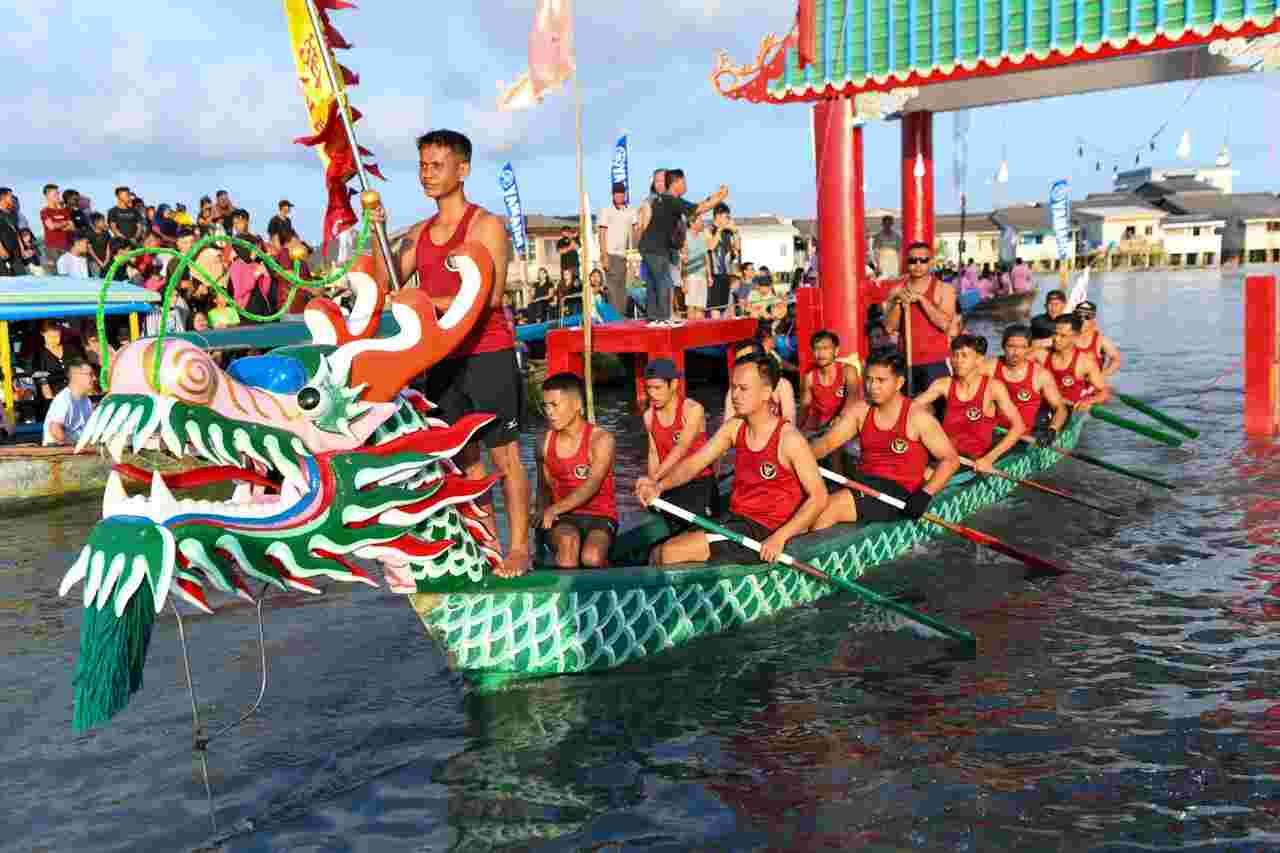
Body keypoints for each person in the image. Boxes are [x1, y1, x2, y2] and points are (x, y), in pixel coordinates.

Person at [369, 128, 530, 578]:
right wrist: (376, 228)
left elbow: (491, 296)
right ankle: (489, 543)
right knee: (466, 461)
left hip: (488, 352)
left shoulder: (486, 226)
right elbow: (387, 285)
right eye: (422, 165)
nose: (427, 174)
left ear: (463, 170)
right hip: (441, 359)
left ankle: (519, 548)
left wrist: (421, 304)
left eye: (437, 165)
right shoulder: (417, 234)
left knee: (505, 456)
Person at [638, 355, 827, 565]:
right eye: (733, 387)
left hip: (765, 529)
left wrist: (780, 537)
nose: (735, 395)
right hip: (736, 520)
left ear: (766, 392)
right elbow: (695, 463)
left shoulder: (789, 439)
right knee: (656, 553)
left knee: (670, 553)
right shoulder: (735, 427)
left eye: (743, 389)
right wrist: (659, 486)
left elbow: (819, 497)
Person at [810, 350, 960, 529]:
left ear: (899, 383)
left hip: (900, 495)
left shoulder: (917, 416)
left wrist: (926, 494)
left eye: (881, 380)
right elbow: (827, 443)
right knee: (810, 506)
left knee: (828, 509)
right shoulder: (861, 410)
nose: (872, 386)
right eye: (869, 379)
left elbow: (951, 460)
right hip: (866, 485)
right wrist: (795, 458)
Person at [910, 334, 1026, 473]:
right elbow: (910, 407)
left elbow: (1019, 427)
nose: (958, 361)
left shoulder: (993, 387)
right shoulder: (943, 384)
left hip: (975, 458)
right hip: (947, 453)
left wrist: (989, 459)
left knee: (926, 475)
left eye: (964, 356)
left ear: (979, 360)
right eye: (955, 355)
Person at [537, 372, 617, 568]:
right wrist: (538, 522)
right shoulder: (543, 443)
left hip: (601, 516)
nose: (549, 412)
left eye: (555, 405)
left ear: (578, 405)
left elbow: (592, 485)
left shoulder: (602, 440)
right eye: (545, 406)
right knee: (568, 545)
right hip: (563, 518)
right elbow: (543, 488)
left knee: (591, 557)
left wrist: (554, 508)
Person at [636, 167, 728, 321]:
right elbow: (699, 209)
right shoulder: (672, 200)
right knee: (663, 282)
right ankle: (663, 319)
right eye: (684, 182)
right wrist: (720, 198)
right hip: (655, 248)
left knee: (654, 284)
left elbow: (697, 205)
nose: (686, 186)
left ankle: (653, 319)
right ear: (676, 183)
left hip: (649, 247)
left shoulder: (665, 199)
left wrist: (716, 195)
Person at [641, 358, 717, 526]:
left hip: (697, 482)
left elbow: (681, 447)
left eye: (658, 388)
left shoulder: (692, 410)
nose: (652, 394)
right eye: (648, 388)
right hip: (669, 483)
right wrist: (651, 483)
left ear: (674, 384)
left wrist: (653, 480)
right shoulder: (648, 416)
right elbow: (653, 453)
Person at [882, 242, 957, 395]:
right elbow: (889, 328)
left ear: (931, 262)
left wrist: (922, 300)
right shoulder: (896, 291)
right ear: (906, 263)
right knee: (908, 411)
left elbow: (945, 325)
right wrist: (897, 303)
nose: (917, 264)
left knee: (938, 411)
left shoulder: (944, 289)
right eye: (912, 260)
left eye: (923, 260)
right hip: (906, 361)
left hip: (936, 362)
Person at [984, 323, 1069, 445]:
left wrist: (1053, 430)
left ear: (1029, 349)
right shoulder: (990, 366)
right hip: (996, 432)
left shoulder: (1040, 375)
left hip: (1026, 436)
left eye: (1022, 347)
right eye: (1011, 346)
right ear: (1003, 347)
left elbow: (1060, 408)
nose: (1015, 352)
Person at [1041, 312, 1112, 412]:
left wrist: (1089, 401)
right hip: (1046, 407)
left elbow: (1105, 392)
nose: (1056, 339)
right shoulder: (1040, 354)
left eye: (1063, 336)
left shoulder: (1086, 363)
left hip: (1072, 409)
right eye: (1054, 333)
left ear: (1076, 337)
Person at [725, 335, 796, 425]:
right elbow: (728, 421)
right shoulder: (734, 389)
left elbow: (789, 418)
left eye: (747, 360)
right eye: (739, 361)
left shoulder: (782, 385)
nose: (742, 366)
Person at [799, 330, 860, 434]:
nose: (821, 353)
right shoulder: (809, 376)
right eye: (816, 349)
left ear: (836, 350)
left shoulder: (848, 371)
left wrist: (839, 419)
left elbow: (852, 400)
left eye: (825, 348)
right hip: (818, 428)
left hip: (844, 425)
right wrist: (796, 430)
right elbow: (805, 408)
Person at [597, 181, 635, 315]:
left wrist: (633, 256)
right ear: (613, 195)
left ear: (625, 195)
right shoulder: (606, 211)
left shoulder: (630, 211)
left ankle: (622, 319)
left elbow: (635, 230)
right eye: (616, 193)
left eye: (621, 193)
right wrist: (604, 255)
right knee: (613, 290)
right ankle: (616, 321)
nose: (619, 196)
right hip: (611, 255)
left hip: (623, 256)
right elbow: (601, 233)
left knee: (623, 290)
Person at [42, 357, 95, 446]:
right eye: (90, 374)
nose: (94, 378)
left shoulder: (86, 400)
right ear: (76, 376)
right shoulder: (64, 399)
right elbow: (54, 429)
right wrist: (73, 446)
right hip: (57, 452)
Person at [30, 318, 82, 403]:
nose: (54, 330)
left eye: (55, 325)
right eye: (50, 326)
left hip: (77, 397)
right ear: (42, 332)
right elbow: (44, 385)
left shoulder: (71, 349)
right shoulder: (38, 356)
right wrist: (54, 403)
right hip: (54, 401)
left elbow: (82, 372)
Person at [705, 203, 739, 318]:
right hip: (714, 273)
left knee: (724, 306)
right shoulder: (709, 229)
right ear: (718, 216)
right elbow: (710, 246)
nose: (728, 220)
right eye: (726, 217)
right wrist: (719, 230)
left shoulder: (728, 232)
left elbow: (737, 247)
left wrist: (735, 232)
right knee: (715, 306)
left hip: (726, 273)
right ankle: (715, 330)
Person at [1073, 300, 1122, 379]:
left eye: (1087, 317)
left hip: (1092, 385)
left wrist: (1102, 375)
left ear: (1094, 319)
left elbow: (1116, 359)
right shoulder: (1066, 336)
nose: (1082, 320)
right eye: (1079, 316)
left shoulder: (1100, 340)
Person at [39, 183, 74, 266]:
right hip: (52, 248)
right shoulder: (45, 211)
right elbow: (51, 226)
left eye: (58, 193)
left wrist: (58, 225)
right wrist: (65, 223)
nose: (58, 196)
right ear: (47, 196)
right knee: (55, 275)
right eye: (55, 194)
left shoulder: (65, 211)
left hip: (67, 247)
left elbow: (72, 227)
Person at [683, 214, 710, 320]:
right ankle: (691, 332)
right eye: (700, 221)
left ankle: (700, 333)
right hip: (691, 275)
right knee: (691, 306)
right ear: (692, 223)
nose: (702, 223)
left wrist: (709, 275)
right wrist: (684, 280)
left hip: (702, 275)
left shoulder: (702, 236)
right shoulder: (685, 236)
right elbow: (683, 260)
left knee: (701, 307)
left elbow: (706, 256)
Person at [1029, 289, 1067, 353]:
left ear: (1064, 305)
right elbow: (1028, 343)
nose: (1053, 308)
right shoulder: (1038, 321)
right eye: (1050, 304)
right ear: (1045, 306)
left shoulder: (1070, 321)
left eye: (1056, 304)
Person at [872, 215, 901, 279]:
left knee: (894, 279)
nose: (887, 225)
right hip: (883, 260)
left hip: (894, 261)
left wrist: (900, 266)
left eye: (889, 223)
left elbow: (899, 253)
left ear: (892, 224)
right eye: (886, 223)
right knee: (882, 279)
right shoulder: (878, 236)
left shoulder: (897, 236)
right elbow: (876, 252)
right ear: (883, 224)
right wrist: (878, 265)